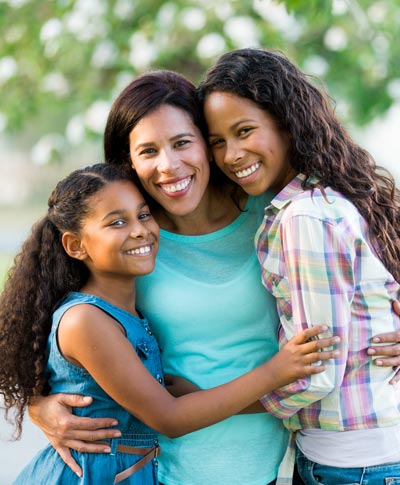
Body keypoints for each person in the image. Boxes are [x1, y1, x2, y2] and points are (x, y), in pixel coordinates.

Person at [27, 70, 400, 485]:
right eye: (148, 150)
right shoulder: (130, 242)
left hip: (268, 462)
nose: (169, 165)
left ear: (208, 143)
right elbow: (52, 326)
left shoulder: (275, 210)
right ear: (127, 161)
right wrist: (37, 403)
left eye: (183, 142)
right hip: (169, 465)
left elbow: (370, 267)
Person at [0, 162, 340, 484]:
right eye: (117, 223)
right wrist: (275, 372)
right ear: (75, 245)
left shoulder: (126, 310)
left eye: (144, 215)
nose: (139, 231)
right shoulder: (86, 320)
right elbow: (169, 418)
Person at [198, 47, 400, 484]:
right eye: (218, 141)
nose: (231, 154)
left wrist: (208, 403)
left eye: (244, 130)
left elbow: (316, 370)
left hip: (352, 463)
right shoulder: (333, 196)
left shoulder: (305, 216)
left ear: (287, 124)